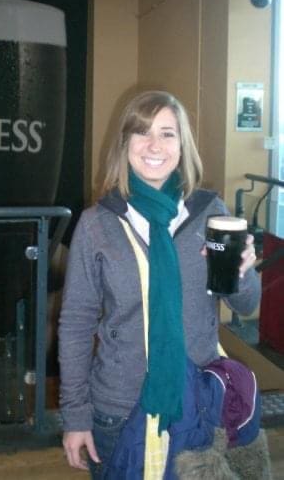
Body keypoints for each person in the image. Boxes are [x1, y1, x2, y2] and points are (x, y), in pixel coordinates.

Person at [58, 90, 261, 478]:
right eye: (142, 132)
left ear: (182, 147)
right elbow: (76, 324)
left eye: (168, 134)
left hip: (198, 404)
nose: (155, 145)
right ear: (125, 144)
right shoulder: (98, 223)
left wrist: (243, 273)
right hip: (117, 409)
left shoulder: (209, 214)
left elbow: (245, 305)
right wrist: (75, 415)